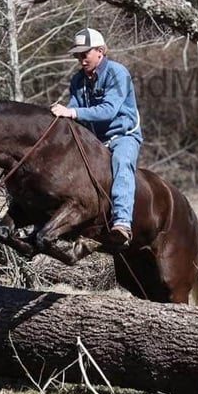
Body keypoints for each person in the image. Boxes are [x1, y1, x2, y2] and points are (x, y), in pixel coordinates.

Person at [51, 28, 142, 247]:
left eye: (85, 54)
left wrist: (71, 112)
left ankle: (122, 223)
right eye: (78, 55)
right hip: (94, 140)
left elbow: (109, 110)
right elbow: (73, 110)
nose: (81, 59)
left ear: (100, 51)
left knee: (121, 161)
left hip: (123, 136)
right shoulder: (77, 80)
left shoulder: (118, 73)